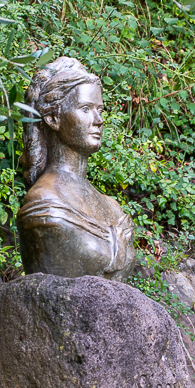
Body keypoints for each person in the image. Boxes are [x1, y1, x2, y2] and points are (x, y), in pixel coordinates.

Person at [17, 57, 136, 281]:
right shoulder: (45, 204)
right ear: (53, 118)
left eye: (100, 109)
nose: (98, 119)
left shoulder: (112, 206)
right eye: (85, 108)